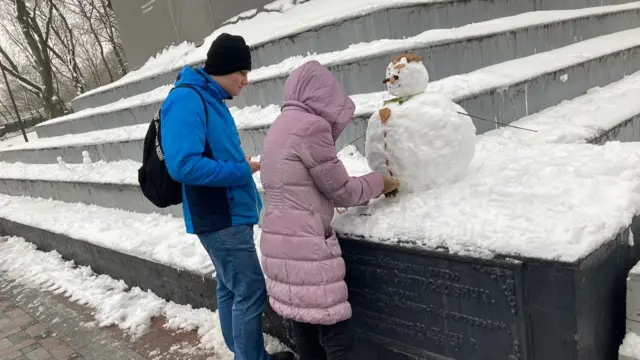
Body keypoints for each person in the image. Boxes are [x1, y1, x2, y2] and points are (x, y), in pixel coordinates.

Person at [160, 33, 295, 360]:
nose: (246, 80)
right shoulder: (188, 99)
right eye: (242, 73)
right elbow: (184, 166)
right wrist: (240, 170)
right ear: (223, 68)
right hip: (220, 216)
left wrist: (239, 165)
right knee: (250, 289)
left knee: (230, 286)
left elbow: (207, 155)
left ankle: (243, 351)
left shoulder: (209, 98)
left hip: (228, 212)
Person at [259, 60, 400, 360]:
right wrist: (379, 182)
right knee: (337, 334)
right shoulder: (311, 127)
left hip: (278, 247)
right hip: (307, 248)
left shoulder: (278, 128)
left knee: (305, 329)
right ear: (324, 96)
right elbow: (343, 190)